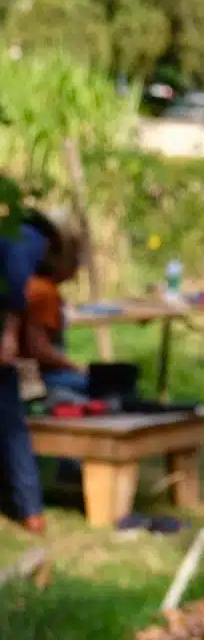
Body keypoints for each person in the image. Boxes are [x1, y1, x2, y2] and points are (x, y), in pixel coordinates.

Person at [0, 212, 51, 535]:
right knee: (11, 423)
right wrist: (9, 334)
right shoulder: (28, 238)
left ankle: (31, 511)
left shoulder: (20, 237)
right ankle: (31, 511)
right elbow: (17, 288)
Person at [22, 210, 88, 397]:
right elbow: (39, 349)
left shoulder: (31, 284)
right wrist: (76, 367)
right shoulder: (43, 291)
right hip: (42, 379)